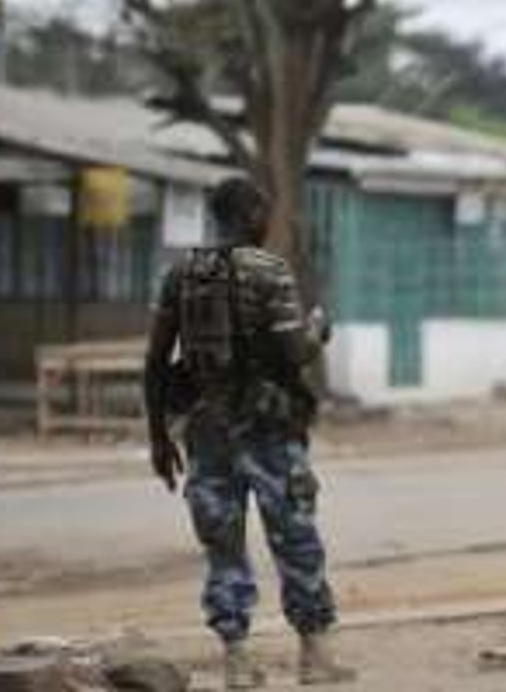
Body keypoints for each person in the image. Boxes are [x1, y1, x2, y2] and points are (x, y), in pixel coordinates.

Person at [143, 176, 354, 689]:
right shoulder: (271, 271)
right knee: (295, 534)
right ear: (254, 214)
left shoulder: (181, 274)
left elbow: (155, 360)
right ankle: (315, 657)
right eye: (264, 212)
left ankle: (237, 661)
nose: (268, 221)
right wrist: (318, 330)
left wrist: (157, 436)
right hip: (269, 427)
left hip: (205, 428)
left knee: (222, 541)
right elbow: (291, 352)